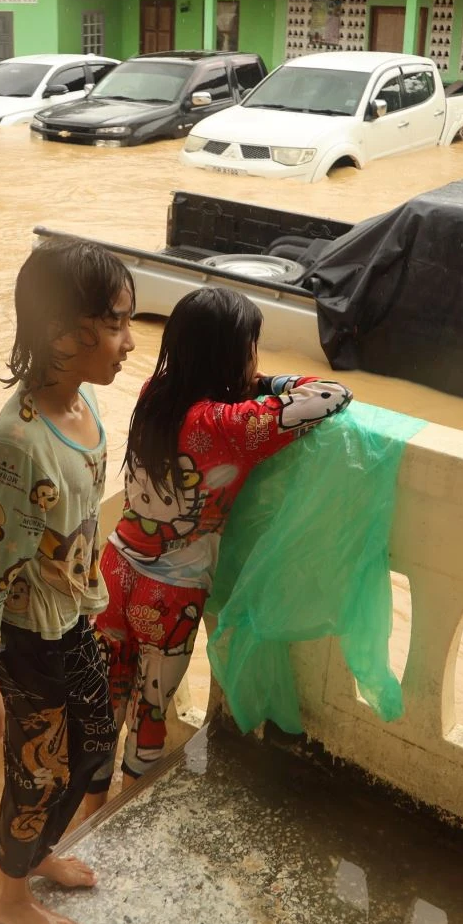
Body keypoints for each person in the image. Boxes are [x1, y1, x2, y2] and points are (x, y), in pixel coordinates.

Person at [86, 287, 352, 811]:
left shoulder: (151, 393)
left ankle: (91, 812)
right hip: (171, 597)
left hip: (114, 569)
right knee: (150, 713)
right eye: (250, 345)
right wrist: (264, 382)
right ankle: (125, 813)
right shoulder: (233, 426)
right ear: (233, 353)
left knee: (103, 703)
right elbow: (331, 395)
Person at [0, 239, 135, 924]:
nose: (129, 341)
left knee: (90, 749)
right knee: (36, 773)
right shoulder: (16, 445)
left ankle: (40, 854)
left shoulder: (82, 407)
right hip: (26, 641)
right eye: (116, 323)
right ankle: (7, 896)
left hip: (73, 623)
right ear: (63, 335)